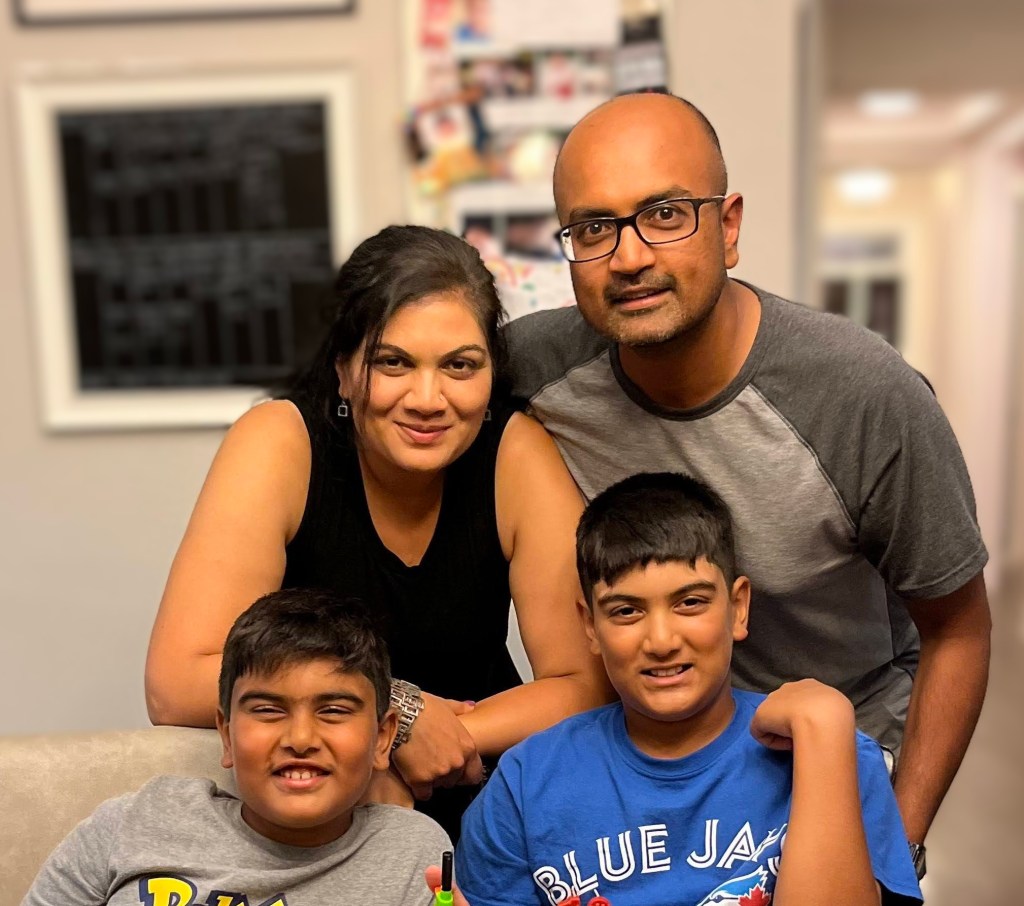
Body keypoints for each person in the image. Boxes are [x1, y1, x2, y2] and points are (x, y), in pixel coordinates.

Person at [505, 91, 991, 859]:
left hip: (837, 760)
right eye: (594, 229)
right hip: (661, 774)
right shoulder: (532, 368)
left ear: (728, 227)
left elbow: (957, 631)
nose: (629, 257)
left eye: (666, 214)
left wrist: (897, 842)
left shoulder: (864, 395)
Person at [145, 225, 610, 837]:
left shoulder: (513, 451)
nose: (428, 398)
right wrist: (397, 715)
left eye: (459, 365)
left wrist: (440, 737)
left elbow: (588, 682)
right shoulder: (280, 441)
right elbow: (175, 682)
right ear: (343, 370)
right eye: (393, 362)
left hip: (481, 786)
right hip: (315, 798)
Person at [456, 472, 923, 906]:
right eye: (626, 611)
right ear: (591, 626)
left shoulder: (834, 752)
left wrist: (823, 726)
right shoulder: (525, 783)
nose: (661, 641)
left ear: (738, 608)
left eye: (691, 602)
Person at [24, 590, 451, 906]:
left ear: (382, 738)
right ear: (227, 735)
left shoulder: (411, 852)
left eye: (333, 711)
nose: (300, 739)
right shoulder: (135, 821)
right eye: (268, 710)